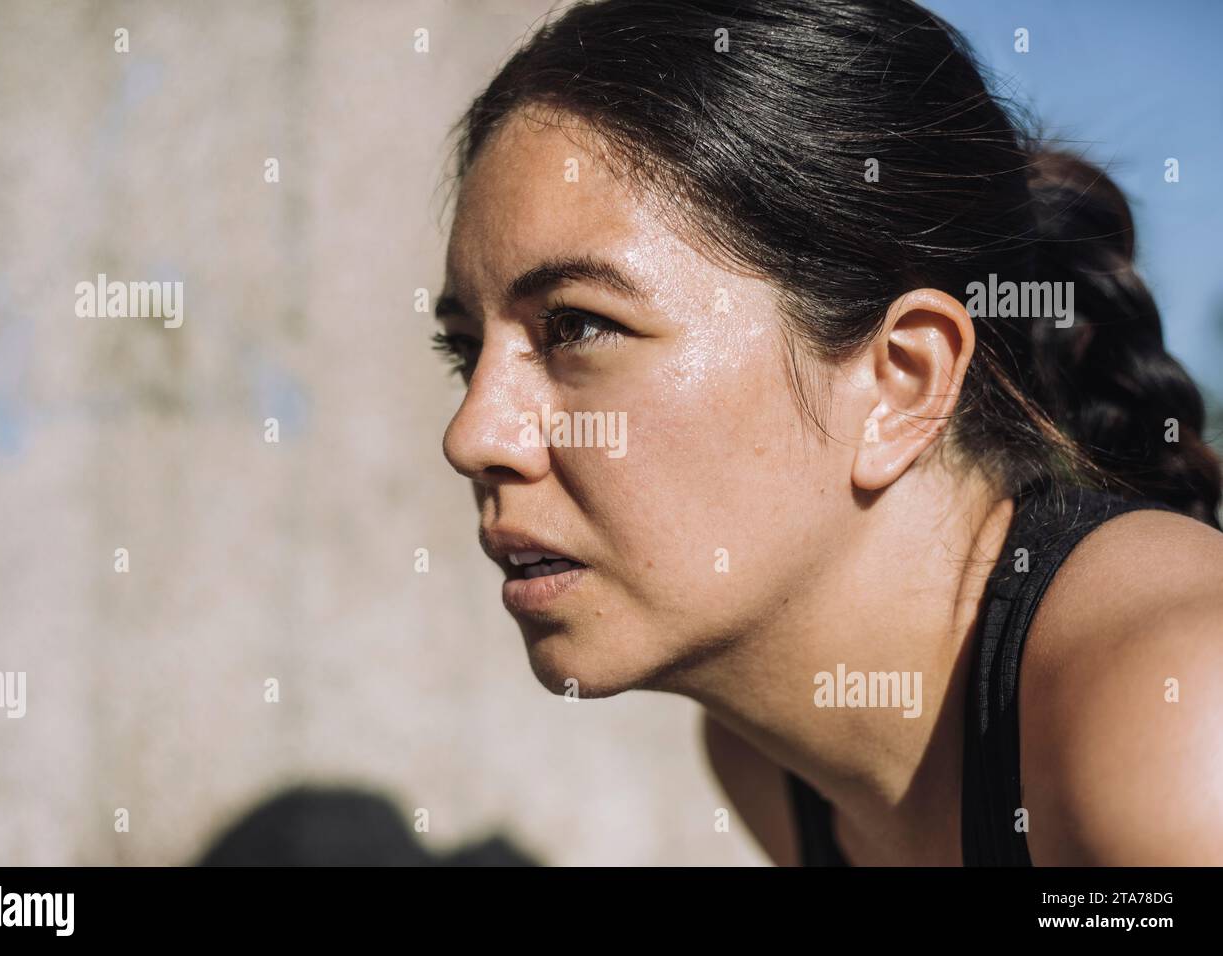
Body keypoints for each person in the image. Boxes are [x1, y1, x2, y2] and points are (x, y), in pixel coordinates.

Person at [430, 0, 1223, 865]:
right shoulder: (773, 764)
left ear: (901, 380)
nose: (473, 435)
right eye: (465, 351)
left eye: (577, 326)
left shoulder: (1178, 710)